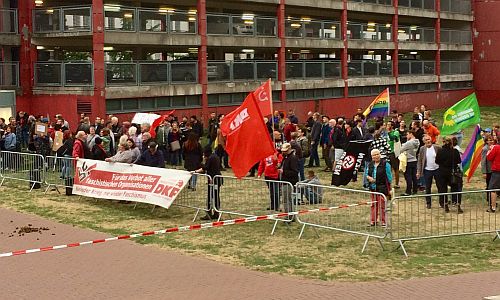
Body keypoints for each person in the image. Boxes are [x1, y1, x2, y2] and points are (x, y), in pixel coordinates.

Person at [363, 149, 392, 226]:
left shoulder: (386, 164)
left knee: (382, 205)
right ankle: (373, 221)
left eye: (377, 154)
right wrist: (369, 178)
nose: (376, 156)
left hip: (382, 187)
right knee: (373, 204)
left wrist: (389, 187)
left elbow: (389, 178)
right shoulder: (370, 164)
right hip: (373, 188)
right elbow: (366, 174)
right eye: (373, 155)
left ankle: (383, 221)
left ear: (380, 155)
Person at [435, 136, 463, 213]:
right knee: (456, 188)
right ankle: (457, 204)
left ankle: (445, 204)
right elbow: (459, 161)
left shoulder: (440, 151)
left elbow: (437, 161)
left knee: (443, 189)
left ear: (443, 142)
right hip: (453, 172)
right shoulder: (455, 151)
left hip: (442, 172)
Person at [196, 147, 222, 220]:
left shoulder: (210, 158)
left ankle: (209, 213)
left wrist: (200, 164)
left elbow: (206, 167)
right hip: (216, 179)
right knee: (216, 196)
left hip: (213, 180)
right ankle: (216, 212)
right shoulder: (215, 156)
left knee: (210, 197)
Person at [417, 135, 441, 209]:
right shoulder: (422, 149)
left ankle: (442, 202)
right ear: (424, 141)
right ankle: (428, 203)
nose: (428, 141)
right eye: (426, 140)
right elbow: (420, 161)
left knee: (440, 186)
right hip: (427, 170)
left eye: (429, 139)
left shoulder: (437, 147)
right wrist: (418, 171)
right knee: (428, 187)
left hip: (437, 169)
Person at [279, 143, 299, 221]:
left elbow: (295, 172)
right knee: (287, 200)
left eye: (285, 151)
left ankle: (289, 216)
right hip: (285, 181)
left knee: (287, 200)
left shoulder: (293, 158)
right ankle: (290, 215)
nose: (283, 152)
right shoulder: (286, 158)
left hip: (289, 182)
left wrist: (283, 172)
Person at [400, 130, 420, 196]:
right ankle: (415, 190)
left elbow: (401, 149)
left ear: (411, 134)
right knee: (414, 176)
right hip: (414, 160)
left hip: (408, 161)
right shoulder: (417, 141)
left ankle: (408, 191)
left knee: (408, 176)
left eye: (407, 134)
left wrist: (403, 145)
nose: (406, 136)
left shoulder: (409, 143)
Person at [486, 139, 500, 213]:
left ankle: (493, 207)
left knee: (493, 189)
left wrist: (489, 150)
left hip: (497, 171)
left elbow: (489, 158)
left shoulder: (496, 147)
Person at [482, 135, 495, 208]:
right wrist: (484, 172)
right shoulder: (485, 149)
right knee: (489, 186)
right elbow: (483, 161)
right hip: (488, 171)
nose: (491, 141)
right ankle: (489, 201)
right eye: (489, 140)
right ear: (486, 141)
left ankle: (492, 200)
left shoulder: (494, 147)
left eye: (492, 140)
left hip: (494, 170)